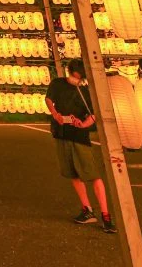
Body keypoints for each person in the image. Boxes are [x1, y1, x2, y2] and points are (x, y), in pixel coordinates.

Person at [46, 59, 113, 233]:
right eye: (75, 76)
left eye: (80, 77)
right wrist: (55, 114)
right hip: (61, 133)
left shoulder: (86, 91)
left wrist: (83, 124)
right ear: (70, 71)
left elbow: (93, 114)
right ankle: (87, 209)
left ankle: (106, 215)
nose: (77, 79)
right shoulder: (58, 84)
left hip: (79, 136)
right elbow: (49, 99)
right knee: (72, 173)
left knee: (92, 174)